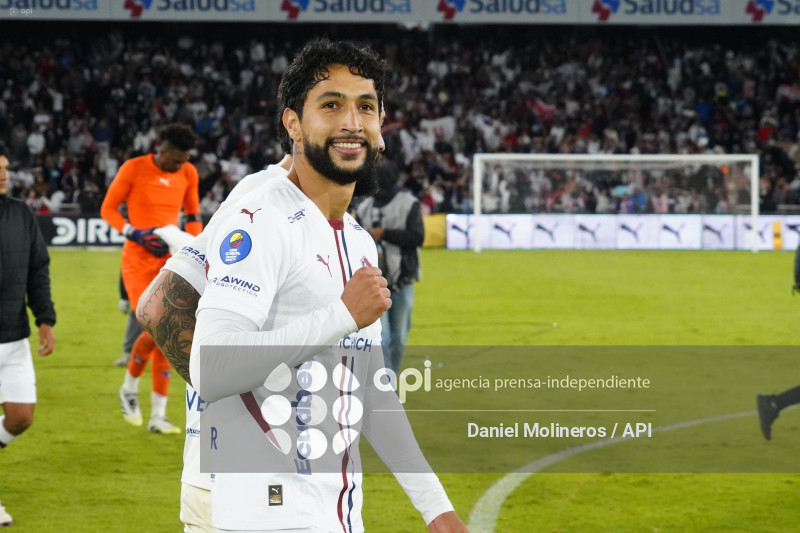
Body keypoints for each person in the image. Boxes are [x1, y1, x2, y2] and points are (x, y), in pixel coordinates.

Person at [163, 38, 465, 533]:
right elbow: (212, 365)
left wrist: (435, 507)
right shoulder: (261, 218)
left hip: (335, 509)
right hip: (266, 512)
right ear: (293, 124)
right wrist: (341, 316)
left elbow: (371, 390)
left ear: (381, 126)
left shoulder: (360, 244)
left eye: (365, 106)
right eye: (331, 105)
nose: (351, 122)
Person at [100, 123, 202, 434]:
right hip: (137, 261)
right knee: (155, 326)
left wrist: (194, 250)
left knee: (166, 332)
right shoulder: (134, 168)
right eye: (176, 159)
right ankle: (129, 388)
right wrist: (135, 232)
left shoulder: (188, 173)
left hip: (171, 259)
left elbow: (194, 216)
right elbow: (108, 209)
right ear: (163, 149)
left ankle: (157, 417)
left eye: (185, 159)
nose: (180, 165)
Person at [0, 144, 57, 527]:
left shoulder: (20, 214)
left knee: (20, 417)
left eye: (5, 168)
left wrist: (45, 319)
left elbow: (38, 268)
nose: (4, 174)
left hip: (14, 335)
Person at [356, 161, 424, 375]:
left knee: (399, 337)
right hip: (374, 283)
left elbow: (417, 237)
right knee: (382, 338)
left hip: (402, 280)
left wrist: (385, 233)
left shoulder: (409, 204)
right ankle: (386, 386)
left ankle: (390, 376)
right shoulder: (364, 207)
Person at [113, 274, 144, 367]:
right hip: (142, 284)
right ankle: (129, 353)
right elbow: (126, 268)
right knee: (138, 312)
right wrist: (124, 296)